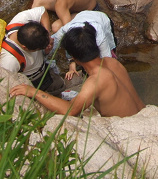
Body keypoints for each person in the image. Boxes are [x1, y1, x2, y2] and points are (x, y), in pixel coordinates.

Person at [10, 23, 144, 117]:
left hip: (130, 129)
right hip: (143, 114)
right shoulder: (112, 62)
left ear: (73, 57)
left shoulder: (95, 82)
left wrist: (35, 92)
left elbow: (70, 110)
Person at [0, 6, 66, 97]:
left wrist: (48, 35)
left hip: (44, 68)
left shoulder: (21, 19)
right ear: (25, 47)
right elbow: (7, 85)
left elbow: (42, 11)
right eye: (38, 49)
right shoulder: (9, 60)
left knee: (59, 85)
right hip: (35, 81)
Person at [49, 9, 117, 79]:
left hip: (102, 19)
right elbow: (51, 44)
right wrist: (72, 63)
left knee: (109, 53)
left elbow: (107, 59)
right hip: (81, 16)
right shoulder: (64, 31)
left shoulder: (100, 36)